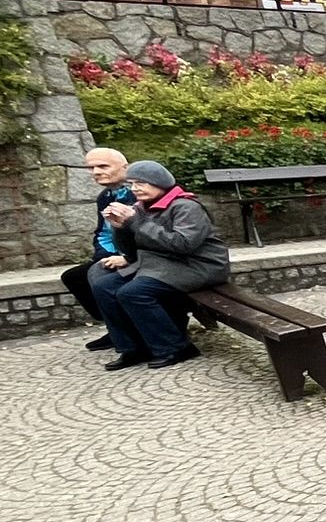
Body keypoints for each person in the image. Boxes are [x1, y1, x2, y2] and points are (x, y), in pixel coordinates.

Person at [90, 159, 230, 370]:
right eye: (132, 184)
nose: (135, 189)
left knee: (133, 292)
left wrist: (134, 222)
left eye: (141, 183)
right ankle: (133, 348)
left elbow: (183, 244)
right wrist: (120, 228)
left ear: (159, 183)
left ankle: (176, 347)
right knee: (105, 286)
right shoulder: (141, 208)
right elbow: (130, 251)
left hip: (200, 266)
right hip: (161, 264)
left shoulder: (186, 206)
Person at [60, 147, 135, 350]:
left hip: (140, 256)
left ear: (124, 167)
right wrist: (104, 255)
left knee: (101, 278)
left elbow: (145, 233)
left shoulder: (138, 192)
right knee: (74, 277)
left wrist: (124, 256)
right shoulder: (105, 195)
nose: (96, 172)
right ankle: (116, 326)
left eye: (103, 166)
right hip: (115, 254)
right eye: (91, 168)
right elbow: (102, 232)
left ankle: (131, 331)